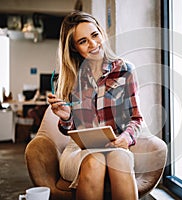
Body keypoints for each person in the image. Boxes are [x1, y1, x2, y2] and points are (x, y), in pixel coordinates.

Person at [47, 11, 143, 200]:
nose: (93, 44)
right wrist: (66, 117)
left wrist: (126, 138)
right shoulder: (70, 78)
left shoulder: (125, 70)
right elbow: (69, 130)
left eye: (94, 35)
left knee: (121, 160)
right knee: (95, 161)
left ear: (101, 33)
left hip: (115, 145)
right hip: (79, 150)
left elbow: (137, 119)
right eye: (83, 41)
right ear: (74, 48)